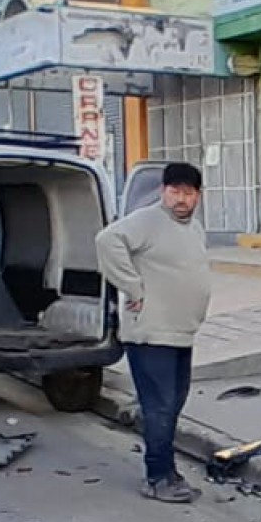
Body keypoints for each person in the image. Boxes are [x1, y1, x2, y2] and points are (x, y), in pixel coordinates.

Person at [95, 161, 213, 503]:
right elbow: (107, 240)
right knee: (160, 406)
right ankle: (157, 477)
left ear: (198, 196)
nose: (181, 199)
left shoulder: (193, 228)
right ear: (163, 191)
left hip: (180, 332)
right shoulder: (148, 220)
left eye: (188, 193)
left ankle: (167, 470)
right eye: (175, 191)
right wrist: (132, 287)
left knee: (173, 402)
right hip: (150, 333)